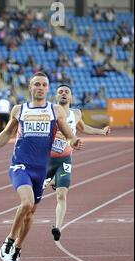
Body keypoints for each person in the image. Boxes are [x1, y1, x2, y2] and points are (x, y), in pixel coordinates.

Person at [0, 72, 84, 261]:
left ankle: (18, 247)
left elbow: (68, 134)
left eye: (44, 84)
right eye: (37, 84)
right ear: (30, 87)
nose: (41, 87)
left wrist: (75, 141)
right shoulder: (19, 110)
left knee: (30, 213)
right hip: (20, 165)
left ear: (48, 89)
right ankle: (10, 238)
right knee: (26, 203)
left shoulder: (56, 111)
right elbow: (7, 133)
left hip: (40, 169)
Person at [46, 84, 110, 241]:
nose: (63, 94)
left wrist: (101, 132)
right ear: (55, 96)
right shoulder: (48, 112)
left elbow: (83, 128)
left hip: (65, 159)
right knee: (33, 195)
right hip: (46, 159)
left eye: (66, 92)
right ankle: (51, 179)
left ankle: (57, 228)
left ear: (71, 97)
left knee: (62, 194)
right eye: (60, 92)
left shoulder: (76, 113)